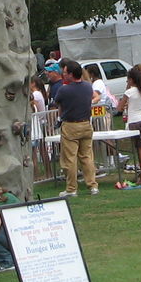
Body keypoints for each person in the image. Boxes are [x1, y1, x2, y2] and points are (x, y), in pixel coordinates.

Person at [52, 60, 99, 197]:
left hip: (71, 125)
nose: (63, 74)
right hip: (86, 124)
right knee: (86, 157)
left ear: (71, 74)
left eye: (65, 72)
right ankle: (92, 185)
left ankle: (72, 188)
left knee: (70, 159)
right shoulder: (87, 87)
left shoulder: (64, 89)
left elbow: (58, 103)